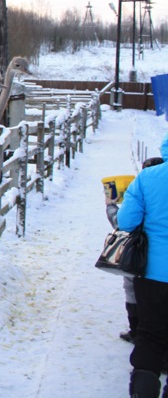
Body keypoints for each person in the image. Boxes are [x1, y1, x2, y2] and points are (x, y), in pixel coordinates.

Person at [119, 136, 168, 398]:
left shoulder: (148, 178)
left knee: (150, 334)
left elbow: (127, 221)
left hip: (152, 274)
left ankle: (143, 392)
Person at [107, 157, 165, 344]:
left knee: (137, 298)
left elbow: (123, 223)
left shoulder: (144, 189)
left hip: (145, 264)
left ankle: (137, 332)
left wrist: (110, 205)